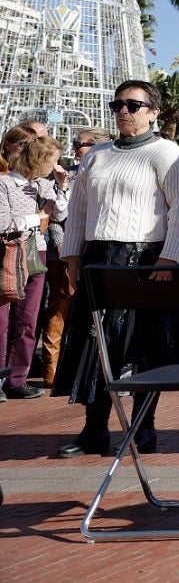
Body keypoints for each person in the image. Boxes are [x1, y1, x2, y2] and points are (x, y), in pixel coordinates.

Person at [53, 81, 179, 458]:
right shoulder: (95, 156)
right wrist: (72, 257)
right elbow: (79, 211)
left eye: (133, 104)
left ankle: (143, 426)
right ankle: (94, 430)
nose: (124, 111)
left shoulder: (167, 152)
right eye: (118, 104)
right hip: (99, 259)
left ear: (153, 112)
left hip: (146, 260)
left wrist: (168, 260)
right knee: (92, 342)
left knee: (143, 346)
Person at [36, 127, 111, 387]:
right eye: (76, 143)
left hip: (98, 250)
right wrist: (66, 249)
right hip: (65, 252)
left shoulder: (106, 175)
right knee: (59, 309)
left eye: (83, 143)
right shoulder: (65, 174)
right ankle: (51, 371)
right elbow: (57, 219)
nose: (77, 148)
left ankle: (91, 367)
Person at [1, 133, 60, 398]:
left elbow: (62, 214)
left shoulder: (44, 185)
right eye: (53, 161)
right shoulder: (5, 184)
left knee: (27, 320)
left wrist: (63, 188)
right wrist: (37, 217)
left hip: (37, 254)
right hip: (7, 253)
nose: (56, 165)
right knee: (2, 319)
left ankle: (17, 380)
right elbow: (3, 224)